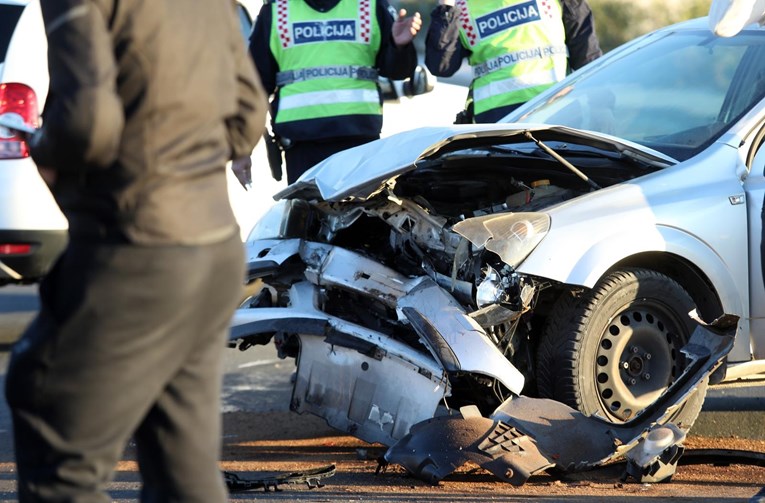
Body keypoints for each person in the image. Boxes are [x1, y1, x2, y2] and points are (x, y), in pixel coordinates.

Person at [4, 0, 266, 501]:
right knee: (183, 471)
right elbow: (247, 117)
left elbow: (87, 125)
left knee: (53, 435)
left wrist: (45, 145)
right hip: (213, 249)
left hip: (133, 249)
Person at [250, 0, 422, 184]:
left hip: (359, 143)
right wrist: (243, 149)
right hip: (302, 147)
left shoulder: (369, 5)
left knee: (361, 212)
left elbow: (397, 71)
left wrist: (399, 47)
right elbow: (255, 85)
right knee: (308, 212)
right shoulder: (278, 10)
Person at [425, 0, 602, 123]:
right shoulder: (462, 7)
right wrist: (446, 9)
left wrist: (604, 109)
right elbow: (441, 66)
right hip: (497, 122)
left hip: (556, 112)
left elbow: (588, 59)